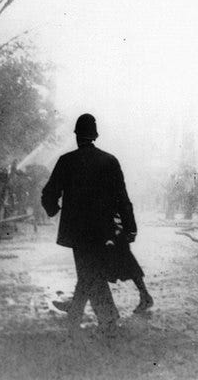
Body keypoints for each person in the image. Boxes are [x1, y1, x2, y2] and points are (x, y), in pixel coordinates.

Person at [41, 113, 143, 337]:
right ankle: (95, 317)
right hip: (103, 229)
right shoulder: (109, 161)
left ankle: (89, 318)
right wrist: (130, 227)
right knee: (91, 271)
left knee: (88, 272)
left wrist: (55, 210)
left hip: (77, 231)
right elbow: (122, 199)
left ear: (77, 136)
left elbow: (48, 193)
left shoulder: (66, 161)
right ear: (95, 135)